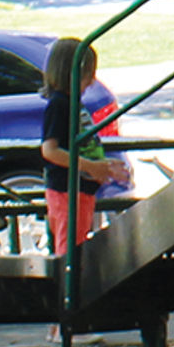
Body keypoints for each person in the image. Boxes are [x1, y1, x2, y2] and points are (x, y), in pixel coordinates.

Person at [38, 36, 134, 257]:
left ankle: (75, 281)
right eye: (87, 75)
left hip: (82, 188)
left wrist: (104, 166)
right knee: (71, 245)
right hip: (67, 189)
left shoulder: (73, 104)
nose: (91, 82)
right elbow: (50, 150)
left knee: (79, 240)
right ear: (70, 73)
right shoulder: (59, 105)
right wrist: (89, 166)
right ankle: (69, 285)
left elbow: (80, 146)